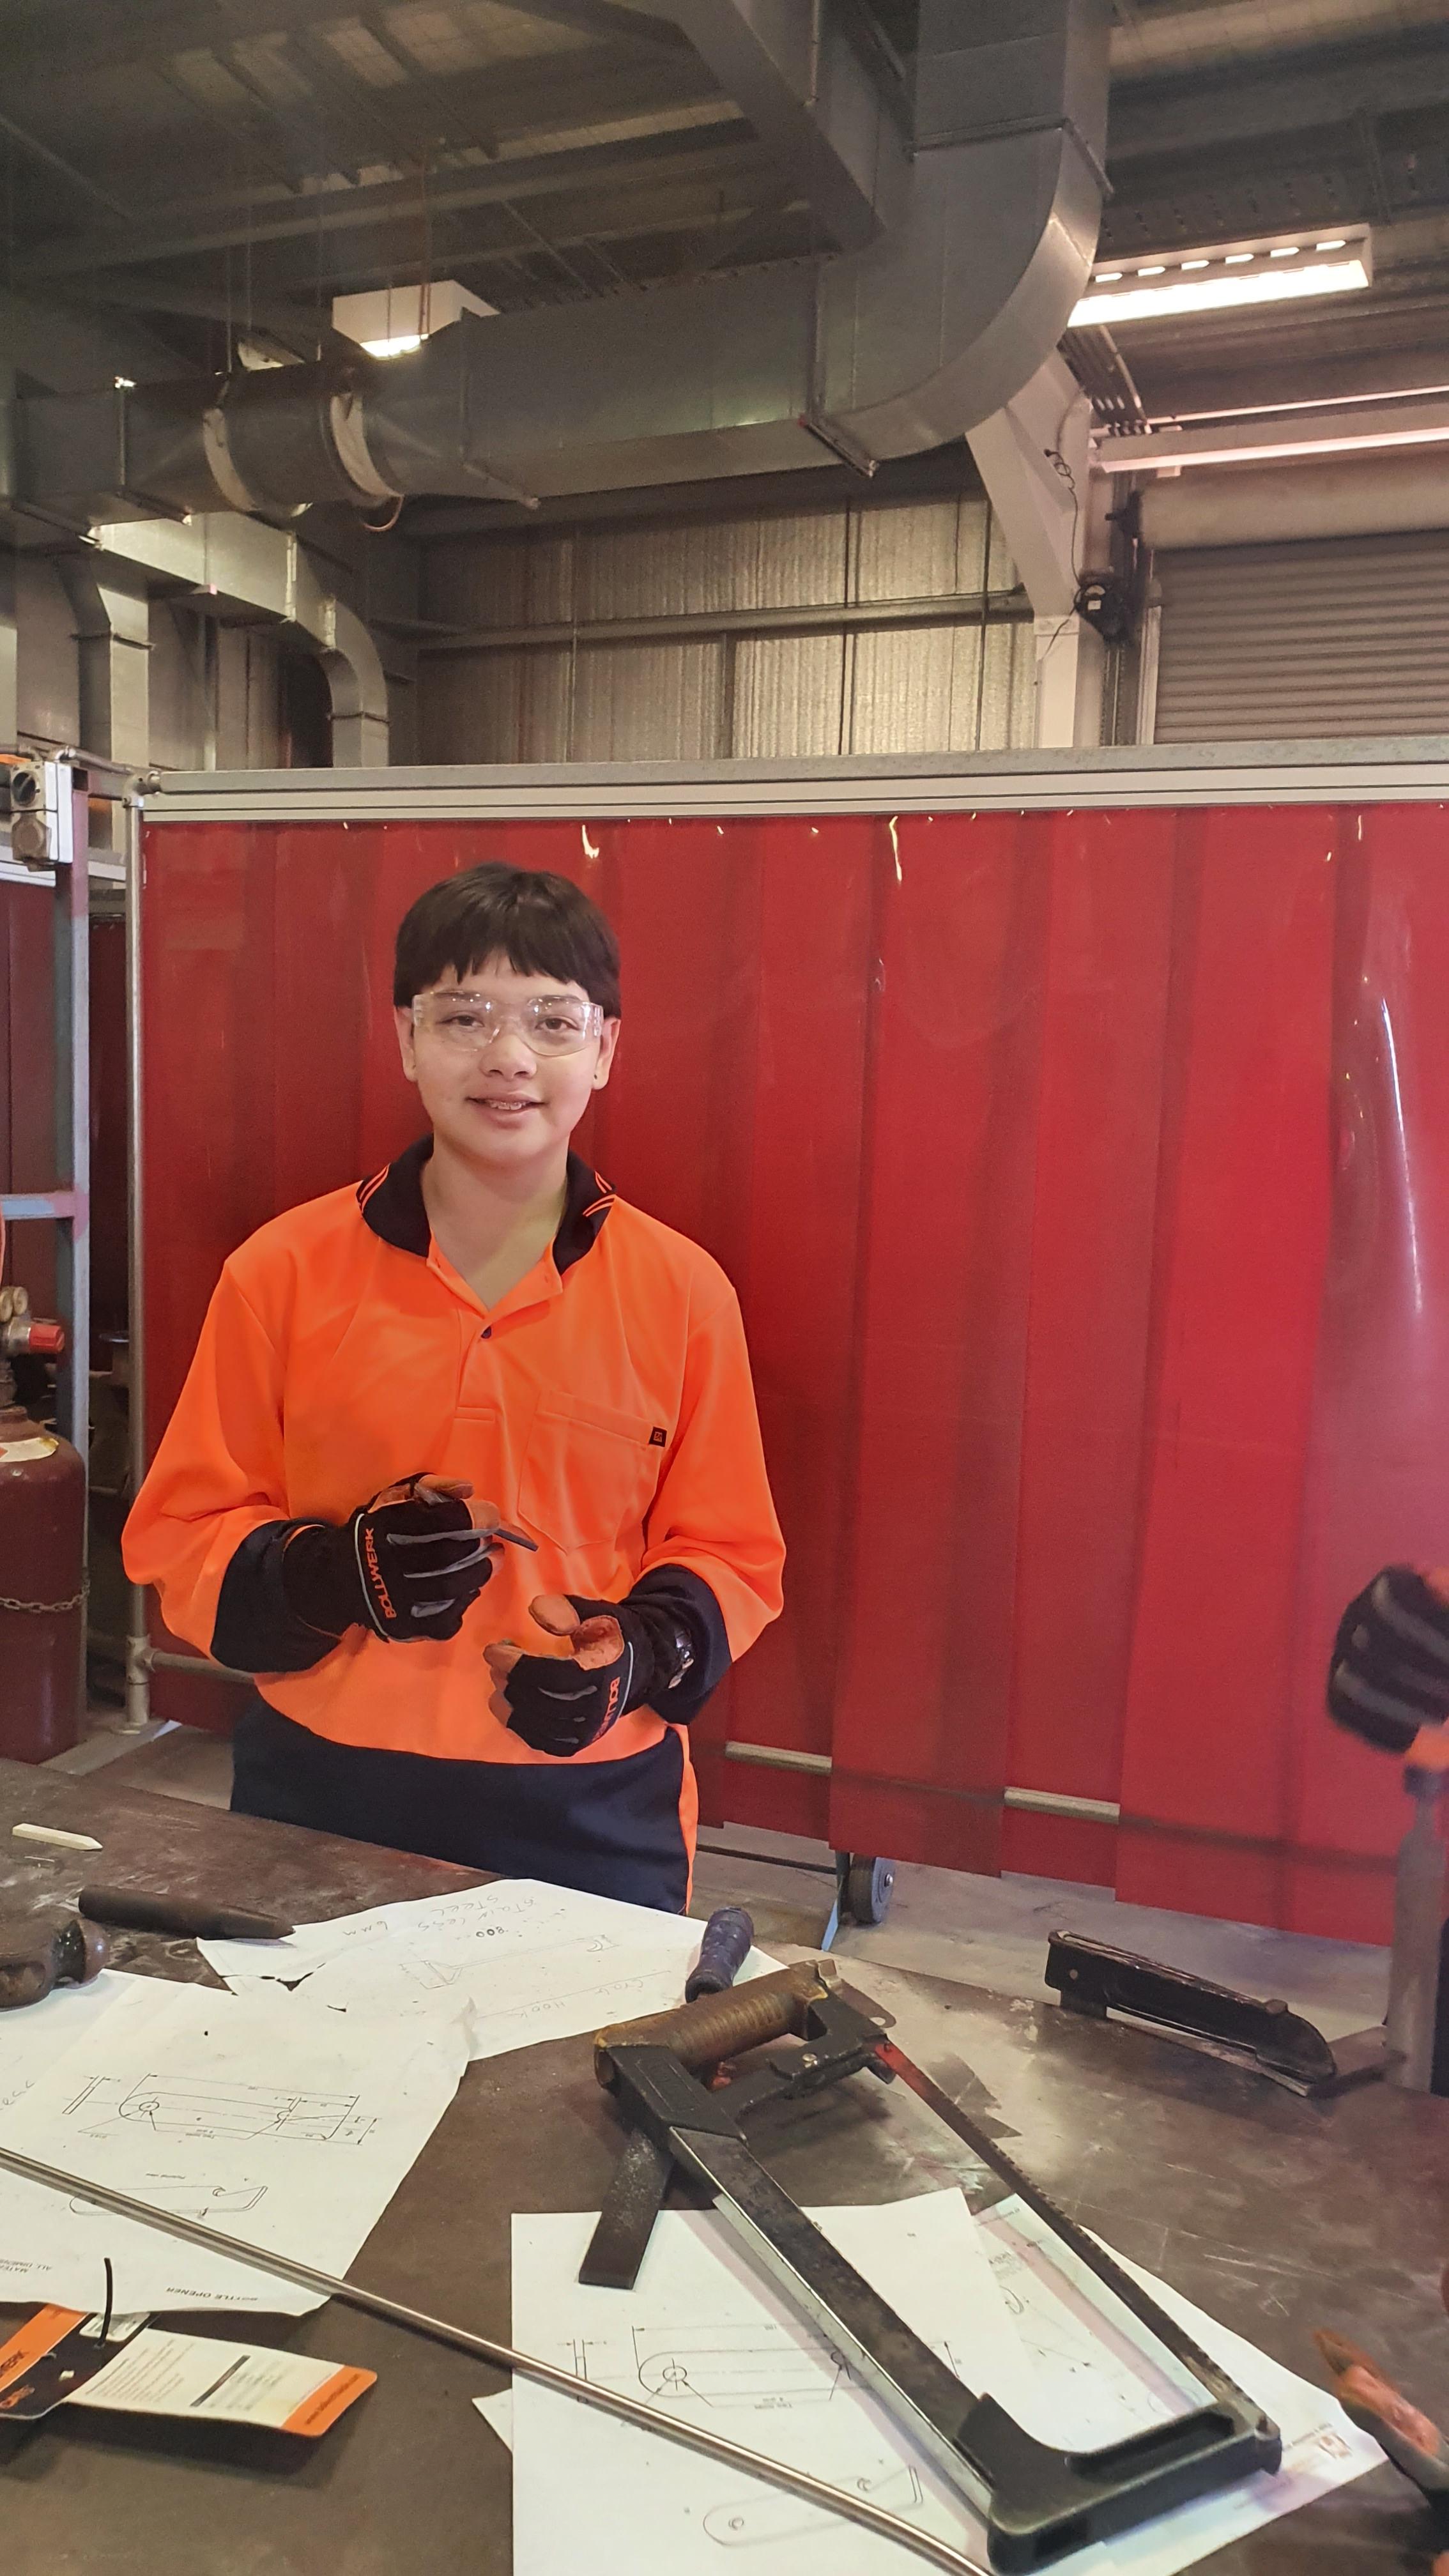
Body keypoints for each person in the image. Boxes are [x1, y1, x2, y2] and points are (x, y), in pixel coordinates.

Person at [123, 862, 785, 1912]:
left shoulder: (683, 1292)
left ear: (605, 1049)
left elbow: (732, 1554)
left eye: (553, 1022)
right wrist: (330, 1578)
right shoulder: (280, 1273)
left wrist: (638, 1656)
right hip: (321, 1795)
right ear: (405, 1038)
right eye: (465, 1017)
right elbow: (183, 1535)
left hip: (595, 1809)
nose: (509, 1057)